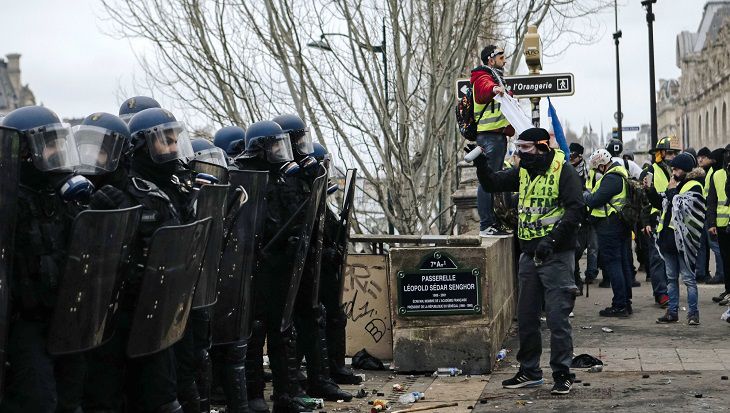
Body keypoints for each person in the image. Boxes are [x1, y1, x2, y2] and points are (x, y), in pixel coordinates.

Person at [83, 107, 197, 413]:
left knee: (161, 399)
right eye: (166, 141)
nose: (173, 149)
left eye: (175, 141)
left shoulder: (154, 194)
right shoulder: (86, 194)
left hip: (149, 315)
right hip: (102, 321)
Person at [474, 127, 583, 395]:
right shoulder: (524, 171)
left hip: (556, 255)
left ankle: (562, 373)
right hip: (528, 255)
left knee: (557, 318)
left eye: (525, 148)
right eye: (518, 148)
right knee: (526, 316)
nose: (519, 154)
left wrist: (552, 241)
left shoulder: (563, 171)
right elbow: (492, 184)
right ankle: (530, 371)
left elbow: (576, 209)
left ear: (542, 147)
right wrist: (480, 162)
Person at [0, 106, 93, 413]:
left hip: (64, 317)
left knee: (72, 398)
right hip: (23, 324)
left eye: (59, 143)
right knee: (38, 401)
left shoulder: (61, 197)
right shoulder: (7, 200)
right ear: (26, 151)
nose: (57, 151)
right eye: (49, 144)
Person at [236, 120, 311, 413]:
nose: (283, 151)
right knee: (254, 333)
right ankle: (254, 394)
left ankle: (285, 396)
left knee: (282, 332)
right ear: (261, 148)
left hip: (280, 267)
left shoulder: (283, 178)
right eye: (276, 145)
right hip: (255, 268)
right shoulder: (244, 178)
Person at [647, 152, 705, 325]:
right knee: (671, 278)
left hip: (684, 240)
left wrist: (672, 191)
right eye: (672, 169)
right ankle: (672, 312)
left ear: (686, 170)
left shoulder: (694, 185)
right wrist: (649, 191)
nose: (673, 172)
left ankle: (693, 314)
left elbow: (681, 206)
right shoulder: (676, 184)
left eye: (677, 169)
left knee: (688, 279)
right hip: (668, 238)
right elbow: (662, 203)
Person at [471, 45, 515, 236]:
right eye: (501, 57)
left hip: (495, 136)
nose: (504, 61)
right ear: (491, 59)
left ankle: (491, 222)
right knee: (487, 181)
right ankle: (486, 224)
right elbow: (483, 91)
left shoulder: (494, 76)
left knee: (492, 179)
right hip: (490, 136)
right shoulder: (483, 76)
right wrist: (495, 88)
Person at [585, 149, 633, 317]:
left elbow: (595, 199)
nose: (597, 171)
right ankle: (625, 303)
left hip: (610, 226)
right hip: (618, 225)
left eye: (598, 168)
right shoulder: (619, 174)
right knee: (622, 263)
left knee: (614, 265)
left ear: (602, 165)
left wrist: (585, 195)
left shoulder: (611, 178)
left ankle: (620, 305)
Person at [641, 136, 679, 308]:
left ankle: (670, 291)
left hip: (673, 219)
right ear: (660, 154)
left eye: (676, 153)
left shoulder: (677, 171)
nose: (673, 156)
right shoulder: (650, 172)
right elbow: (643, 201)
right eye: (670, 153)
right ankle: (661, 294)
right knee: (657, 258)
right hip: (656, 219)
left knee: (671, 257)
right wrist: (645, 222)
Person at [568, 143, 598, 294]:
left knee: (591, 247)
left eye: (573, 156)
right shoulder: (567, 169)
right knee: (576, 248)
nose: (571, 159)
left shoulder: (589, 171)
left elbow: (591, 191)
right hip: (574, 213)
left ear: (580, 156)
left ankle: (590, 274)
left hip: (588, 213)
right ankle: (576, 280)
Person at [696, 147, 725, 285]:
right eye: (698, 157)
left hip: (714, 215)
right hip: (710, 214)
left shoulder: (714, 173)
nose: (701, 160)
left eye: (704, 157)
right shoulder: (711, 172)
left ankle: (721, 274)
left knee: (716, 246)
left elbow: (711, 197)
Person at [709, 146, 730, 306]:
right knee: (726, 259)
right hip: (722, 224)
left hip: (724, 223)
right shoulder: (717, 175)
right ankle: (728, 290)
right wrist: (712, 223)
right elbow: (712, 201)